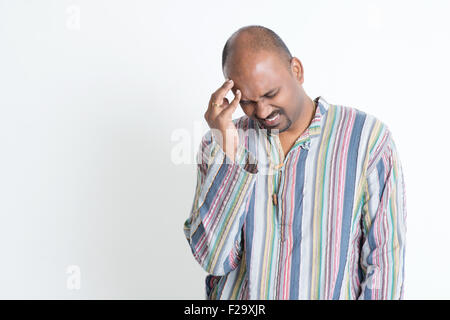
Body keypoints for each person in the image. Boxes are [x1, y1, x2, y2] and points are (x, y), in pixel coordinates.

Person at [182, 25, 407, 300]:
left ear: (297, 71)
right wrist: (229, 154)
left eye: (270, 94)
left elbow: (385, 260)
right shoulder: (218, 144)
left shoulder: (367, 139)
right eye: (249, 101)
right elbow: (213, 260)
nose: (262, 111)